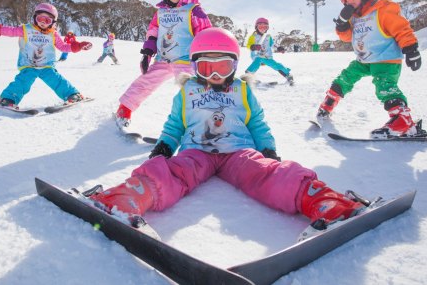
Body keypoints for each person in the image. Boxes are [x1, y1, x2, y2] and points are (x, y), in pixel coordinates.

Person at [88, 27, 366, 230]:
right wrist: (165, 145)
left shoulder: (243, 90)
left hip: (239, 152)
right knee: (172, 171)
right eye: (206, 67)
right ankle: (130, 195)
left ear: (234, 66)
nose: (215, 75)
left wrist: (268, 148)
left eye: (222, 67)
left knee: (267, 173)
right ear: (195, 67)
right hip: (196, 152)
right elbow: (175, 124)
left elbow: (256, 121)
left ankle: (321, 199)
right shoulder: (187, 92)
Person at [316, 0, 423, 138]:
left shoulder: (383, 10)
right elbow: (346, 37)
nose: (346, 0)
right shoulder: (354, 16)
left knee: (384, 86)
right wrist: (343, 23)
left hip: (385, 60)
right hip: (364, 60)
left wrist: (411, 49)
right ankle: (328, 104)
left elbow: (401, 29)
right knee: (345, 77)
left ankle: (403, 121)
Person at [114, 0, 212, 127]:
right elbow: (153, 32)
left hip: (186, 60)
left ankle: (200, 121)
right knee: (144, 82)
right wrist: (147, 52)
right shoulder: (160, 12)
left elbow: (205, 34)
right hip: (163, 59)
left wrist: (205, 58)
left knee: (193, 89)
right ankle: (124, 109)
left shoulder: (194, 11)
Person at [0, 3, 92, 108]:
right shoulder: (26, 29)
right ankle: (7, 99)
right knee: (23, 81)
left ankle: (72, 95)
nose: (43, 22)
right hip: (28, 64)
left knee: (56, 80)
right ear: (35, 18)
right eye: (40, 18)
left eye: (47, 20)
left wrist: (79, 46)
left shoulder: (53, 34)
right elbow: (9, 31)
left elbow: (63, 47)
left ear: (53, 22)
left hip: (46, 65)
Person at [244, 17, 294, 85]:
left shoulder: (268, 36)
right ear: (256, 27)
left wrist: (279, 48)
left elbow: (272, 45)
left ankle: (288, 75)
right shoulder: (253, 36)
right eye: (260, 26)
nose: (262, 28)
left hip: (267, 57)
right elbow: (248, 45)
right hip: (257, 55)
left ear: (267, 28)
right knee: (256, 63)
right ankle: (247, 77)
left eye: (265, 27)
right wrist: (253, 47)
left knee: (276, 65)